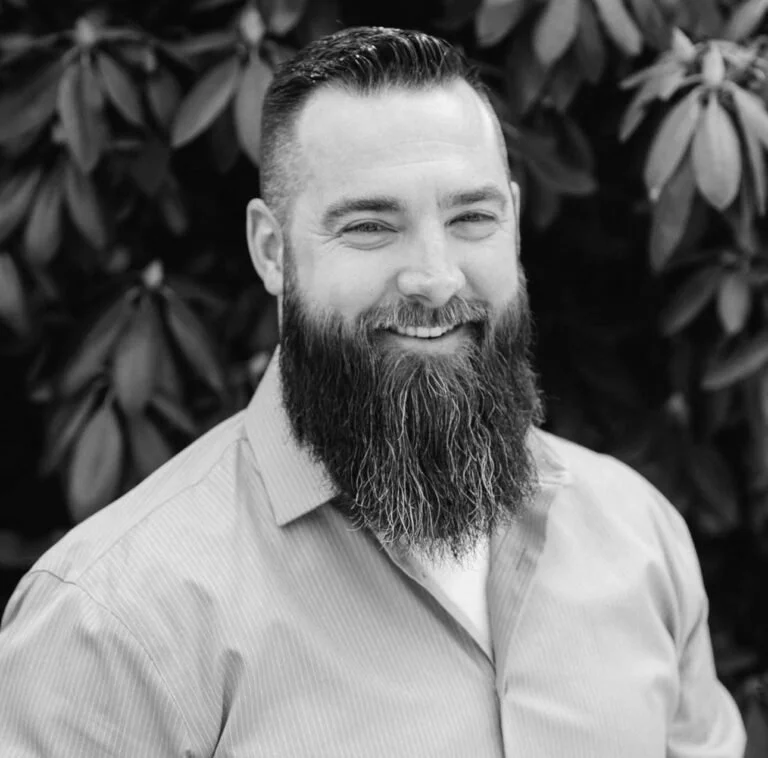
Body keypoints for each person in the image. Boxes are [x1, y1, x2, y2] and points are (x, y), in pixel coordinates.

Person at [0, 26, 746, 758]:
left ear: (513, 223)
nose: (436, 277)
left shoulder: (640, 534)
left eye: (472, 218)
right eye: (368, 226)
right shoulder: (112, 621)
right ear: (271, 249)